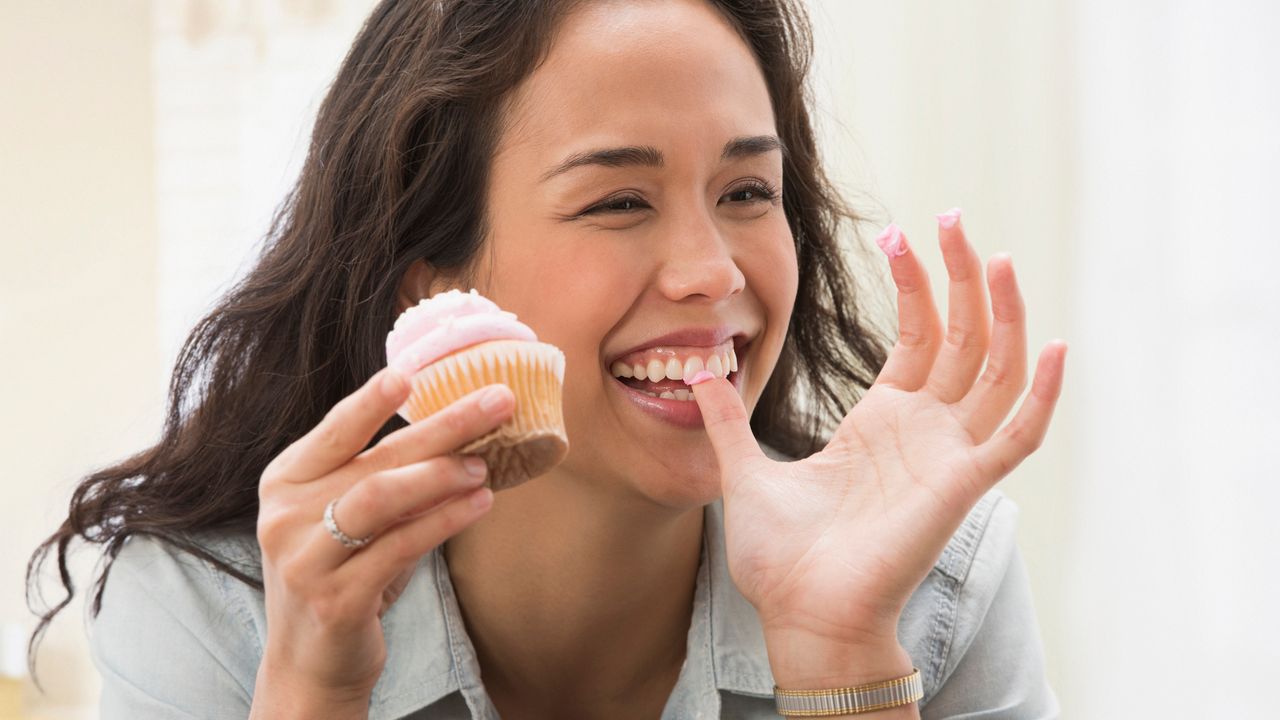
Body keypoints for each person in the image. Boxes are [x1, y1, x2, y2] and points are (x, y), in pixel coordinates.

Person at [27, 0, 1067, 717]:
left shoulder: (924, 581)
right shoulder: (218, 605)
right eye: (617, 200)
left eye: (746, 192)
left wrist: (843, 659)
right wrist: (312, 691)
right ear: (430, 279)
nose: (710, 272)